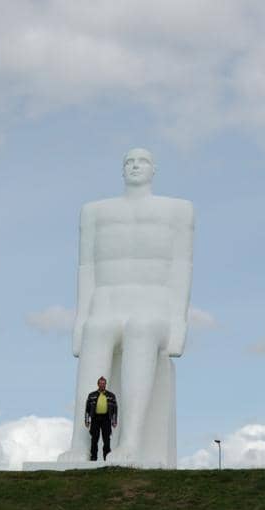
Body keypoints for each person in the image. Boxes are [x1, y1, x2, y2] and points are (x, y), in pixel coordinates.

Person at [64, 148, 194, 464]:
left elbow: (181, 266)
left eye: (143, 161)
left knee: (141, 329)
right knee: (97, 331)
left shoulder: (178, 210)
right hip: (107, 302)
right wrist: (80, 321)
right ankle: (81, 444)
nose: (135, 166)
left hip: (153, 305)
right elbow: (87, 270)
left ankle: (132, 440)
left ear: (154, 169)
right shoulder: (94, 212)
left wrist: (178, 323)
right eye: (129, 162)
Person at [83, 376, 118, 461]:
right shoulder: (91, 395)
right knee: (94, 439)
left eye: (104, 383)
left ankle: (107, 458)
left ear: (105, 384)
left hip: (106, 419)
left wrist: (114, 421)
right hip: (95, 418)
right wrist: (87, 420)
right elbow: (87, 409)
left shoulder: (111, 395)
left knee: (106, 439)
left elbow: (115, 409)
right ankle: (93, 457)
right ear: (98, 384)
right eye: (101, 383)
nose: (102, 385)